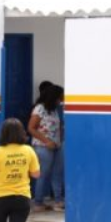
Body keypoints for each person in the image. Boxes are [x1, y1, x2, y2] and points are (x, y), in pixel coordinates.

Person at [28, 83, 64, 211]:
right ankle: (38, 202)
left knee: (57, 173)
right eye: (60, 97)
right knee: (43, 174)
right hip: (43, 146)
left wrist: (60, 141)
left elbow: (59, 127)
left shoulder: (54, 109)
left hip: (57, 145)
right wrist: (46, 141)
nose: (61, 100)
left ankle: (58, 201)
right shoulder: (39, 109)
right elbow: (31, 128)